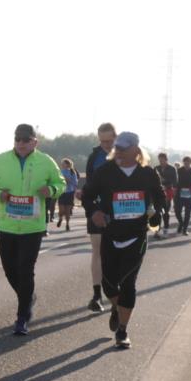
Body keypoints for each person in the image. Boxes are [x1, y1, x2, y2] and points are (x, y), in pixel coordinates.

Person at [81, 132, 165, 349]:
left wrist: (157, 212)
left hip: (136, 236)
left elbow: (160, 195)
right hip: (110, 234)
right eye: (116, 147)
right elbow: (87, 196)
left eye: (123, 148)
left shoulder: (147, 173)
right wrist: (94, 212)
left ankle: (123, 331)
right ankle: (116, 308)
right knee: (109, 284)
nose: (118, 151)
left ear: (136, 150)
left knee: (128, 283)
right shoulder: (104, 172)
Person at [0, 123, 66, 335]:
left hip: (32, 227)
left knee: (25, 269)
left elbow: (62, 183)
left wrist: (52, 190)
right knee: (10, 270)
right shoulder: (0, 161)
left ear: (34, 142)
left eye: (25, 140)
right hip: (7, 225)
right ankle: (27, 297)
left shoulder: (45, 162)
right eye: (17, 139)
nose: (20, 143)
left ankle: (22, 317)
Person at [77, 123, 117, 313]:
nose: (106, 145)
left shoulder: (127, 154)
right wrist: (85, 198)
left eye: (109, 141)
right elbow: (90, 186)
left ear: (116, 138)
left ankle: (116, 294)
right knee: (97, 250)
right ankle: (96, 295)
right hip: (98, 211)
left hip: (120, 212)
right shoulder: (95, 156)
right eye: (102, 141)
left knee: (117, 254)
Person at [154, 153, 178, 239]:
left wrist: (166, 182)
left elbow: (175, 181)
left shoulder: (172, 169)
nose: (160, 161)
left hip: (168, 191)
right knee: (157, 212)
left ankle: (166, 229)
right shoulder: (156, 168)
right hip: (158, 192)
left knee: (166, 212)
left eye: (162, 160)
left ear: (166, 159)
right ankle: (157, 230)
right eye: (159, 160)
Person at [175, 156, 191, 236]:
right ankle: (181, 223)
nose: (186, 164)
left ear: (190, 163)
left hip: (189, 194)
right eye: (185, 162)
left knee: (187, 213)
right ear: (183, 162)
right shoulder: (178, 171)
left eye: (188, 162)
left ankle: (185, 229)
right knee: (177, 211)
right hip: (179, 193)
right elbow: (174, 181)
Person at [56, 158, 79, 232]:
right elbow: (57, 180)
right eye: (62, 163)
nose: (62, 165)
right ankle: (60, 218)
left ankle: (67, 224)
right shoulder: (59, 171)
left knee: (68, 210)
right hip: (62, 192)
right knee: (61, 210)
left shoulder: (72, 172)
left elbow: (75, 183)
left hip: (69, 192)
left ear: (68, 164)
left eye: (64, 163)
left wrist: (68, 180)